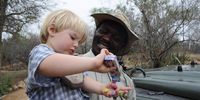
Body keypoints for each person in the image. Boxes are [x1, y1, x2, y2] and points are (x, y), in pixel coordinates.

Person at [25, 9, 131, 100]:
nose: (76, 45)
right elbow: (47, 64)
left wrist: (103, 88)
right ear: (52, 30)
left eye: (79, 42)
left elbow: (82, 80)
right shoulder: (40, 52)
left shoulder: (72, 61)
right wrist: (94, 63)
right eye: (72, 37)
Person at [83, 11, 139, 100]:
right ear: (95, 31)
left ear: (121, 45)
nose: (106, 38)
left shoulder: (127, 83)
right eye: (103, 31)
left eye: (116, 38)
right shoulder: (73, 68)